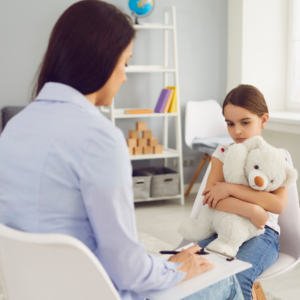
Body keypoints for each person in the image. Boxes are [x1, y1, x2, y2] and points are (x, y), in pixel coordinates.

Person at [0, 1, 243, 299]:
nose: (125, 76)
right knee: (224, 279)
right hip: (95, 291)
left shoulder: (14, 128)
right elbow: (128, 270)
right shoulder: (99, 138)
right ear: (102, 60)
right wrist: (176, 268)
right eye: (125, 62)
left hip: (34, 289)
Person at [199, 84, 286, 300]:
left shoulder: (275, 156)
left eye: (245, 123)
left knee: (238, 276)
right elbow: (212, 199)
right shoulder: (222, 152)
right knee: (190, 269)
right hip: (222, 229)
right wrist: (251, 209)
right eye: (230, 123)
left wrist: (229, 189)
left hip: (263, 233)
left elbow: (277, 205)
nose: (236, 130)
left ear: (263, 120)